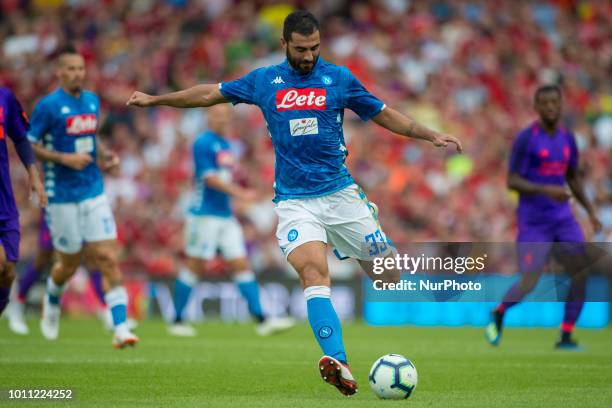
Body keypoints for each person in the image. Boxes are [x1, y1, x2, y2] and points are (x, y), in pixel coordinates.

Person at [127, 10, 461, 395]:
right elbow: (208, 93)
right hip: (295, 201)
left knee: (389, 277)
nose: (309, 56)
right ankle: (339, 361)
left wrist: (430, 134)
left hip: (341, 196)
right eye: (301, 49)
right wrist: (156, 100)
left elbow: (385, 115)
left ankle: (354, 232)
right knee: (313, 273)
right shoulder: (263, 81)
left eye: (315, 47)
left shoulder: (338, 78)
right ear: (283, 44)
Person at [28, 46, 138, 348]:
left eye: (81, 68)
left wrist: (105, 155)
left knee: (107, 257)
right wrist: (64, 159)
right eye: (71, 69)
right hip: (61, 195)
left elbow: (90, 138)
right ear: (59, 72)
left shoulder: (91, 101)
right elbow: (29, 144)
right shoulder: (48, 106)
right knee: (69, 263)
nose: (77, 73)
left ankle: (120, 327)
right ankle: (53, 295)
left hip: (93, 190)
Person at [485, 84, 602, 350]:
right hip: (533, 220)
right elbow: (512, 180)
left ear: (561, 105)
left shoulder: (568, 138)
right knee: (530, 280)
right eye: (545, 103)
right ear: (536, 107)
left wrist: (591, 211)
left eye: (554, 102)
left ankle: (566, 335)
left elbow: (572, 177)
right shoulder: (526, 139)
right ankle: (500, 311)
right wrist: (545, 188)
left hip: (563, 218)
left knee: (581, 270)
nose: (550, 107)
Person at [169, 103, 295, 337]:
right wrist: (240, 193)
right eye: (217, 115)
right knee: (195, 266)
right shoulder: (203, 142)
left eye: (226, 115)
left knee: (240, 263)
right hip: (204, 214)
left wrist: (236, 198)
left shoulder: (227, 145)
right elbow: (209, 180)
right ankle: (176, 319)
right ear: (209, 117)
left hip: (224, 215)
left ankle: (262, 318)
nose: (222, 119)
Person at [7, 210, 110, 335]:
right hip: (55, 208)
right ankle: (18, 303)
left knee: (92, 259)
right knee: (42, 259)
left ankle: (106, 311)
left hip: (79, 209)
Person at [0, 86, 47, 317]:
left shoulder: (5, 97)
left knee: (8, 270)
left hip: (4, 201)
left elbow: (20, 137)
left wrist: (34, 174)